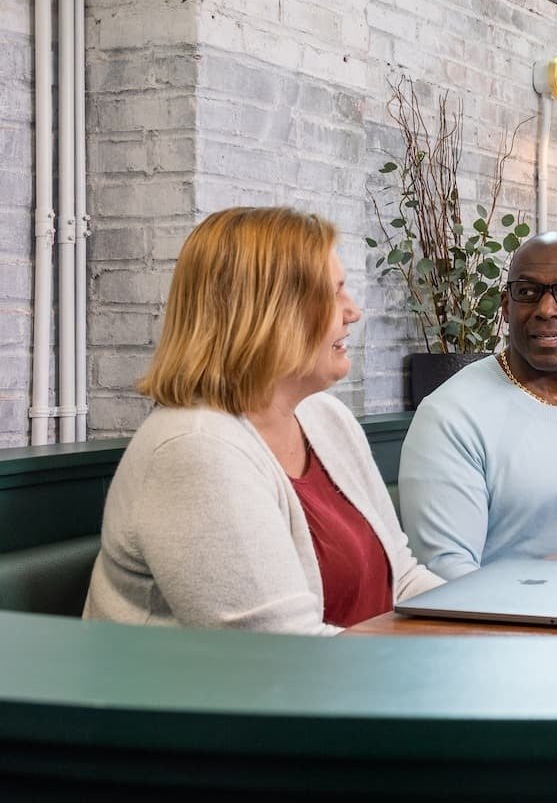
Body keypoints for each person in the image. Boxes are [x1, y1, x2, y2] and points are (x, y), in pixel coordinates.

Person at [84, 208, 443, 633]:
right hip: (254, 694)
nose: (352, 312)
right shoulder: (195, 449)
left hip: (356, 685)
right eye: (334, 293)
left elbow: (401, 578)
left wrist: (492, 628)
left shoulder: (326, 417)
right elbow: (283, 655)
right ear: (271, 314)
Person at [398, 231, 557, 577]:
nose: (546, 309)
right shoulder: (449, 418)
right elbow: (448, 581)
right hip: (510, 629)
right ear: (506, 306)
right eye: (527, 293)